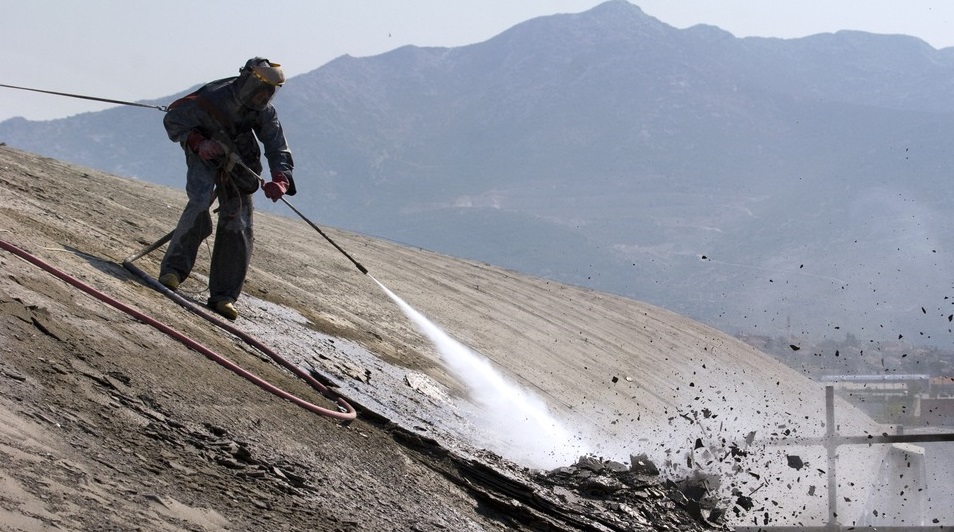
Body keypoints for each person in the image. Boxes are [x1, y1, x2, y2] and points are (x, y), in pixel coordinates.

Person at [157, 57, 296, 320]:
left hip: (241, 160)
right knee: (199, 202)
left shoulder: (265, 111)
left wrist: (281, 179)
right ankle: (173, 271)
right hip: (205, 154)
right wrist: (198, 142)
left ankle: (224, 296)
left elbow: (277, 147)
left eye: (270, 91)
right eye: (260, 88)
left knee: (238, 222)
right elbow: (174, 121)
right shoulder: (212, 97)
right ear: (247, 81)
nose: (263, 96)